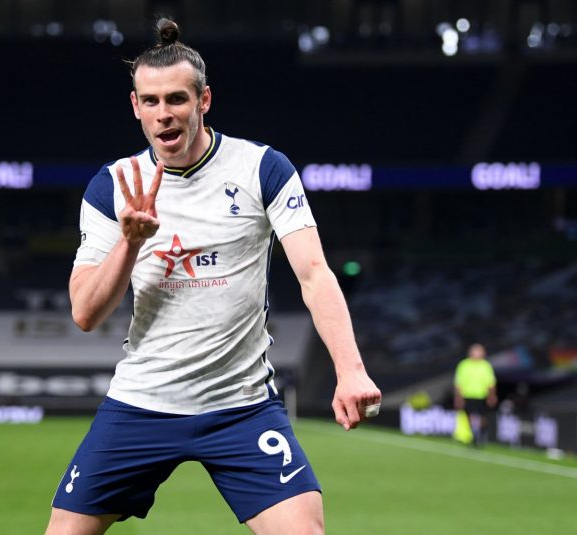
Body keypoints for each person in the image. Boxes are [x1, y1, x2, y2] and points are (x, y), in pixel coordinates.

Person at [45, 18, 381, 535]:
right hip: (142, 403)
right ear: (135, 107)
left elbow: (314, 273)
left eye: (177, 99)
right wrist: (132, 242)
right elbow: (86, 313)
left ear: (204, 100)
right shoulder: (112, 185)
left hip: (241, 407)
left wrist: (351, 369)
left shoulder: (262, 169)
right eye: (151, 102)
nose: (164, 115)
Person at [454, 343, 497, 446]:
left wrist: (492, 396)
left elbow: (491, 383)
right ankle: (472, 436)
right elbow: (458, 383)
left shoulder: (485, 366)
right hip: (467, 395)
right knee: (468, 417)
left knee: (482, 417)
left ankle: (481, 435)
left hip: (481, 396)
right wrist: (458, 397)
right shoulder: (464, 365)